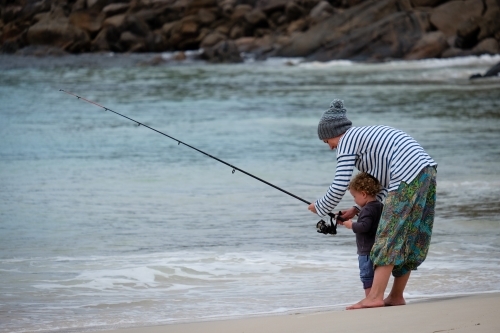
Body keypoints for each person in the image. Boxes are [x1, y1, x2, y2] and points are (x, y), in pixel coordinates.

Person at [308, 99, 437, 310]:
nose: (330, 147)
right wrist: (357, 209)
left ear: (334, 133)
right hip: (425, 171)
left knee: (388, 235)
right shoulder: (364, 140)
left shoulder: (348, 140)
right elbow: (383, 186)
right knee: (408, 235)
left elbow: (340, 184)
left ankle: (375, 297)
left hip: (407, 174)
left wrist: (319, 207)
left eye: (327, 142)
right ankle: (396, 296)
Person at [342, 172, 384, 297]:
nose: (354, 200)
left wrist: (351, 225)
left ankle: (369, 297)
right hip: (378, 248)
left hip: (366, 251)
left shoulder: (366, 209)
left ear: (364, 194)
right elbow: (371, 222)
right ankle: (377, 296)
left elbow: (364, 226)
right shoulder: (379, 206)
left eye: (355, 196)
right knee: (376, 275)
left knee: (366, 276)